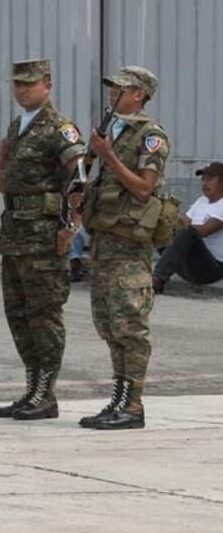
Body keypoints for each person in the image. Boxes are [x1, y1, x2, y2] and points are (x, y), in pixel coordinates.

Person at [0, 59, 85, 421]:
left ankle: (46, 393)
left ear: (47, 84)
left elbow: (78, 181)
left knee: (43, 315)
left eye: (29, 84)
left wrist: (71, 227)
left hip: (45, 238)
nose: (22, 91)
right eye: (17, 85)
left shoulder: (59, 129)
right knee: (18, 314)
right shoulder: (18, 127)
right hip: (16, 234)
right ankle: (32, 387)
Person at [80, 65, 169, 431]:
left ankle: (132, 404)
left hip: (129, 246)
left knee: (130, 326)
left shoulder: (150, 136)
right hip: (104, 242)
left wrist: (109, 155)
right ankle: (118, 398)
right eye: (113, 88)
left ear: (139, 94)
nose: (113, 94)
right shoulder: (111, 131)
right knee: (109, 325)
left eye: (121, 88)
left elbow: (144, 188)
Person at [152, 162, 223, 292]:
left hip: (211, 269)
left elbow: (202, 231)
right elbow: (182, 222)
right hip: (189, 267)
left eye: (210, 179)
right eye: (203, 179)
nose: (204, 183)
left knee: (187, 231)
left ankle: (158, 278)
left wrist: (180, 227)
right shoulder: (201, 201)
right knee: (163, 228)